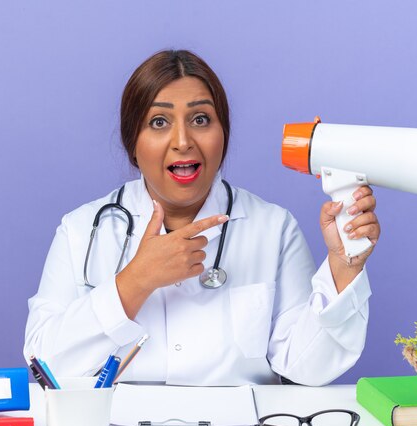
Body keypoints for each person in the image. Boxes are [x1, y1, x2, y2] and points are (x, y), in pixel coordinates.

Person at [24, 50, 380, 386]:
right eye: (159, 121)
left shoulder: (273, 228)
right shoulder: (81, 230)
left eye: (200, 119)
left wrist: (343, 265)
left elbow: (309, 366)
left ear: (222, 135)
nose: (182, 141)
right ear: (132, 141)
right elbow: (44, 364)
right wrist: (135, 281)